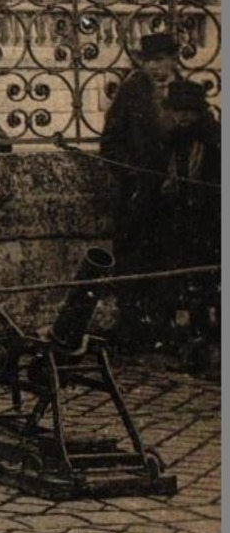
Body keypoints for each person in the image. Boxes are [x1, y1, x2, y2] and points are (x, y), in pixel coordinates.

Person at [99, 31, 181, 349]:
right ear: (142, 62)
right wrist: (132, 172)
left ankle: (163, 326)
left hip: (173, 195)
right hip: (138, 192)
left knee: (169, 257)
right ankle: (131, 326)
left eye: (165, 60)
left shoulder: (181, 91)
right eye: (152, 61)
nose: (159, 67)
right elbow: (110, 143)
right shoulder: (131, 91)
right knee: (133, 256)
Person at [156, 79, 219, 364]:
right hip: (180, 221)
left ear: (198, 112)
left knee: (208, 283)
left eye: (188, 111)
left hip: (209, 222)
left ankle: (209, 339)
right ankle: (192, 338)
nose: (182, 117)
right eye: (177, 111)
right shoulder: (172, 142)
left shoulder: (213, 142)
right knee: (183, 281)